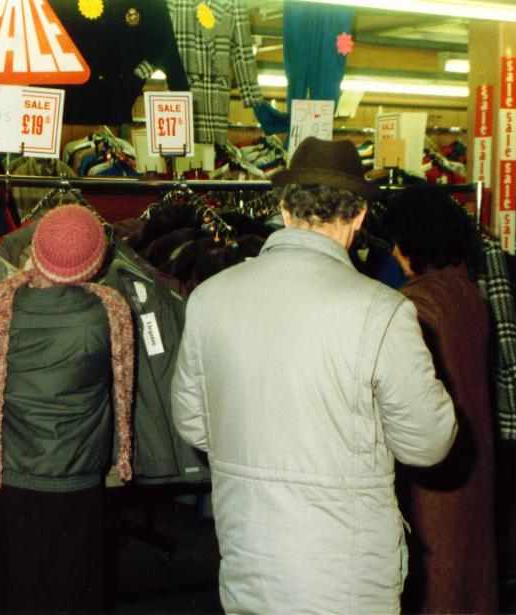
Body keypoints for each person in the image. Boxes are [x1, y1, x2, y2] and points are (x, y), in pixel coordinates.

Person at [171, 137, 457, 613]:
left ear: (283, 209)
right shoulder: (382, 311)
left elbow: (193, 424)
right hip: (345, 571)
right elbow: (427, 443)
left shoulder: (209, 298)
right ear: (360, 216)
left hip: (247, 553)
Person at [0, 205, 135, 612]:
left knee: (7, 586)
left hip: (10, 472)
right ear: (95, 263)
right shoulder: (108, 313)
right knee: (70, 588)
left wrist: (19, 279)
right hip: (77, 476)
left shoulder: (0, 309)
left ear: (35, 252)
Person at [385, 184, 498, 613]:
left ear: (405, 242)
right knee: (469, 575)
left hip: (429, 476)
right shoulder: (465, 293)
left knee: (434, 583)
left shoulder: (413, 304)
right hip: (471, 466)